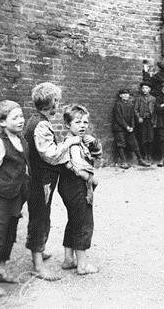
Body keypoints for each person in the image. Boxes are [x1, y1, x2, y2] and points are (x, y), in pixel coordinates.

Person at [24, 82, 81, 281]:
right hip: (40, 180)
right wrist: (69, 143)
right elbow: (51, 155)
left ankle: (39, 251)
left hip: (41, 179)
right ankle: (37, 265)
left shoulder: (37, 121)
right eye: (58, 100)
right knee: (40, 217)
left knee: (42, 215)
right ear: (53, 102)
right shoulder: (40, 125)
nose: (59, 104)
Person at [0, 100, 30, 297]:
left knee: (9, 235)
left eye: (21, 116)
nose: (21, 120)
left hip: (16, 196)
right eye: (15, 117)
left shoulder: (22, 141)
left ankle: (1, 270)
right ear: (2, 122)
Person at [58, 104, 101, 275]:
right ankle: (82, 265)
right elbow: (78, 168)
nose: (83, 125)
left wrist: (94, 143)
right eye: (77, 122)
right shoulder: (74, 145)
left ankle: (69, 259)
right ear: (68, 125)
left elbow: (97, 154)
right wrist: (92, 179)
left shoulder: (79, 141)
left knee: (74, 220)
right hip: (76, 186)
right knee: (83, 223)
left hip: (67, 187)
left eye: (85, 122)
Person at [112, 88, 151, 169]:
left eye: (127, 94)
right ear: (120, 95)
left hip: (129, 128)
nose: (126, 95)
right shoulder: (118, 105)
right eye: (124, 94)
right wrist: (126, 127)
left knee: (134, 143)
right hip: (120, 128)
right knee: (121, 144)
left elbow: (132, 117)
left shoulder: (130, 104)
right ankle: (123, 162)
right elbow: (119, 117)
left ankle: (140, 159)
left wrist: (132, 126)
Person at [134, 81, 156, 163]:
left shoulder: (153, 99)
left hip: (150, 120)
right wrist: (139, 117)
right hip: (142, 121)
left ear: (149, 89)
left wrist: (154, 122)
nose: (144, 90)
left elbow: (155, 111)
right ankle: (145, 155)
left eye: (146, 88)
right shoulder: (139, 99)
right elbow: (135, 110)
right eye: (143, 88)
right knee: (143, 138)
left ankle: (150, 156)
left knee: (150, 138)